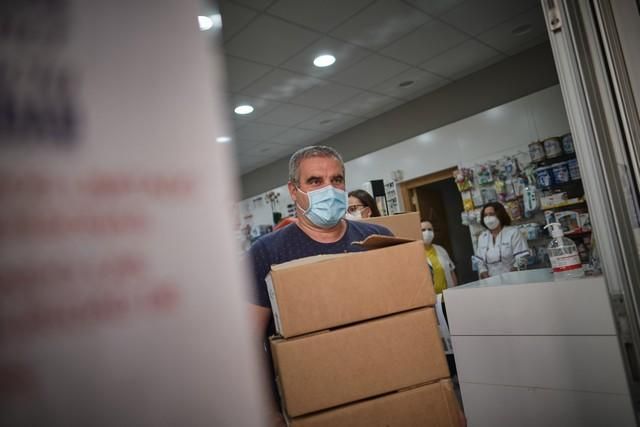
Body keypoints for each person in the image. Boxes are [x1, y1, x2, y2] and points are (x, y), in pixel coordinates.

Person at [247, 145, 392, 425]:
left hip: (384, 388)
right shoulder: (266, 252)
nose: (330, 189)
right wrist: (267, 411)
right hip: (310, 402)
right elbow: (248, 342)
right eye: (315, 181)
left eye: (336, 180)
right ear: (293, 191)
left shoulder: (378, 238)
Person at [475, 202, 529, 279]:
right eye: (485, 215)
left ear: (500, 215)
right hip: (491, 283)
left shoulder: (513, 233)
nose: (488, 218)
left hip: (515, 280)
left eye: (491, 214)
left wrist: (511, 276)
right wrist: (484, 274)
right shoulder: (482, 237)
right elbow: (480, 262)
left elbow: (522, 258)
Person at [421, 220, 457, 294]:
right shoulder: (416, 253)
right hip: (431, 299)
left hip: (448, 295)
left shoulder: (441, 249)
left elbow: (451, 271)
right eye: (423, 230)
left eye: (430, 229)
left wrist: (455, 290)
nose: (427, 232)